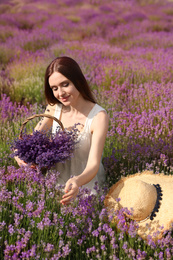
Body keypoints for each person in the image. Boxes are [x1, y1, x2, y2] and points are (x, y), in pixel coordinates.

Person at [15, 56, 109, 205]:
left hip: (86, 188)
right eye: (54, 88)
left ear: (78, 81)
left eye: (65, 84)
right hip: (53, 186)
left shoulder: (98, 116)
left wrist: (77, 181)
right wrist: (20, 156)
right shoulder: (54, 108)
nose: (60, 93)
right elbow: (29, 141)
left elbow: (93, 165)